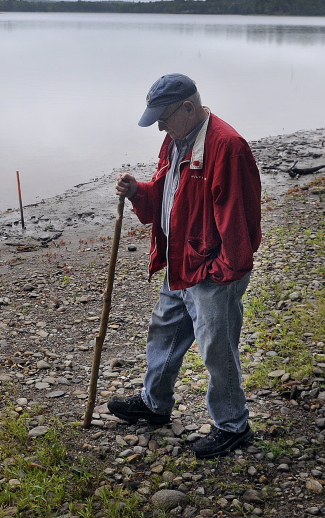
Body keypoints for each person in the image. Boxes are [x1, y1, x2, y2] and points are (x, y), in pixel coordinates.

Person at [109, 73, 262, 459]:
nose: (159, 125)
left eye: (163, 117)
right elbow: (169, 190)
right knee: (164, 331)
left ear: (188, 108)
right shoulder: (177, 140)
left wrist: (220, 273)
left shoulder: (227, 147)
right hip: (182, 261)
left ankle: (232, 425)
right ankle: (154, 403)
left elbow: (240, 223)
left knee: (217, 347)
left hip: (211, 270)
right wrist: (138, 192)